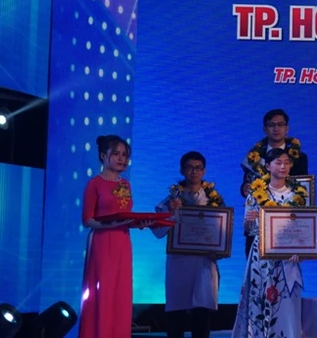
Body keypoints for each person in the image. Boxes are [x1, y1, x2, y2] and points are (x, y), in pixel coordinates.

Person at [79, 135, 149, 338]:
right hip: (102, 242)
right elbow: (87, 220)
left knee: (121, 291)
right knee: (103, 291)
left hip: (122, 241)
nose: (121, 159)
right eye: (116, 154)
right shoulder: (95, 184)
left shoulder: (125, 185)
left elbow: (124, 216)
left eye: (125, 155)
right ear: (103, 156)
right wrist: (109, 224)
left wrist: (139, 224)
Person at [232, 147, 307, 338]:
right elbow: (249, 230)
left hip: (288, 255)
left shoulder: (298, 195)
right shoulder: (256, 194)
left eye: (286, 163)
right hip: (262, 254)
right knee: (261, 298)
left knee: (286, 300)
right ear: (267, 166)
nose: (283, 167)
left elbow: (305, 227)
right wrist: (248, 221)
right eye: (278, 163)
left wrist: (301, 250)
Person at [152, 151, 223, 338]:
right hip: (179, 260)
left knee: (202, 313)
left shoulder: (214, 200)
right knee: (177, 312)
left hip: (204, 261)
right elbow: (157, 229)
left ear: (204, 171)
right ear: (182, 171)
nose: (194, 171)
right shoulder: (172, 199)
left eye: (198, 168)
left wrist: (219, 251)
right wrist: (170, 212)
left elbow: (223, 230)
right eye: (190, 167)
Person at [240, 109, 308, 256]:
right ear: (265, 129)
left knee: (287, 267)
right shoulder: (254, 157)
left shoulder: (299, 158)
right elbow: (246, 183)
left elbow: (302, 189)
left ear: (287, 128)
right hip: (258, 225)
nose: (276, 128)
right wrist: (245, 188)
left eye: (280, 125)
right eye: (272, 125)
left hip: (287, 225)